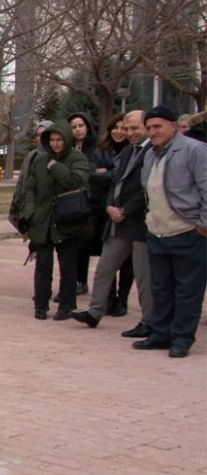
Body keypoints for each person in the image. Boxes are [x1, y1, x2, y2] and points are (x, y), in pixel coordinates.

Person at [69, 109, 154, 336]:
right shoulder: (126, 152)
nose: (129, 132)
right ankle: (95, 311)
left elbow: (147, 189)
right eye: (127, 129)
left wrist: (125, 209)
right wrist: (109, 207)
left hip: (139, 224)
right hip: (116, 222)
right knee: (104, 269)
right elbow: (114, 184)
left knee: (143, 276)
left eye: (134, 128)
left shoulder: (153, 153)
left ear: (146, 127)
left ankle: (149, 321)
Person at [135, 106, 207, 358]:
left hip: (188, 231)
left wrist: (203, 226)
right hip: (158, 231)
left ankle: (181, 338)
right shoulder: (150, 154)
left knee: (187, 291)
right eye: (149, 127)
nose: (153, 132)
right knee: (161, 288)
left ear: (173, 125)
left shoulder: (194, 150)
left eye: (158, 126)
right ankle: (160, 334)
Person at [18, 121, 94, 320]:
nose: (56, 144)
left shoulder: (78, 159)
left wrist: (56, 167)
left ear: (67, 140)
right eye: (52, 140)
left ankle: (66, 306)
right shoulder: (39, 161)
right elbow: (30, 189)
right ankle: (41, 305)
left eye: (59, 140)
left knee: (67, 265)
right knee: (43, 265)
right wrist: (30, 212)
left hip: (68, 220)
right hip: (42, 220)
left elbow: (75, 182)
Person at [92, 113, 133, 313]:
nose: (119, 132)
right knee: (107, 257)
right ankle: (109, 297)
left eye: (123, 128)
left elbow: (120, 177)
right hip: (103, 209)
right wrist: (110, 175)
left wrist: (106, 173)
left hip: (128, 212)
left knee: (128, 261)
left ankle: (122, 299)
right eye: (115, 128)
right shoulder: (100, 151)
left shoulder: (134, 151)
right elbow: (93, 177)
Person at [68, 112, 101, 295]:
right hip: (72, 201)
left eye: (81, 126)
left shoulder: (96, 147)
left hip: (91, 203)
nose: (78, 130)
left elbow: (97, 172)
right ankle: (75, 280)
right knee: (73, 245)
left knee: (87, 245)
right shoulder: (68, 148)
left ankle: (83, 281)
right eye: (74, 127)